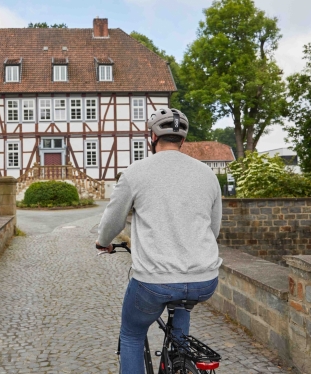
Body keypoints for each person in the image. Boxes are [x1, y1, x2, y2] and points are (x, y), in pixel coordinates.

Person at [95, 109, 222, 374]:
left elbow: (113, 221)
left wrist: (103, 242)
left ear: (152, 136)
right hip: (204, 279)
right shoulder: (207, 174)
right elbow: (214, 228)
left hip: (154, 282)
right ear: (182, 140)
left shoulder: (135, 172)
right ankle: (180, 356)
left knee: (132, 334)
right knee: (183, 304)